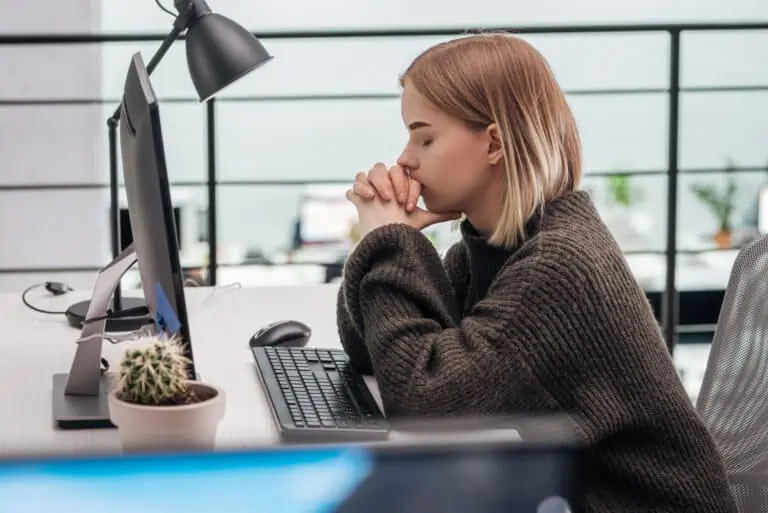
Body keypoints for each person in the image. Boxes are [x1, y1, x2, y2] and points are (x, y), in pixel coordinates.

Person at [336, 33, 737, 513]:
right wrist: (391, 240)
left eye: (425, 136)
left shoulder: (557, 265)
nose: (405, 157)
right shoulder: (494, 246)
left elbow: (424, 404)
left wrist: (392, 242)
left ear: (494, 144)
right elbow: (371, 351)